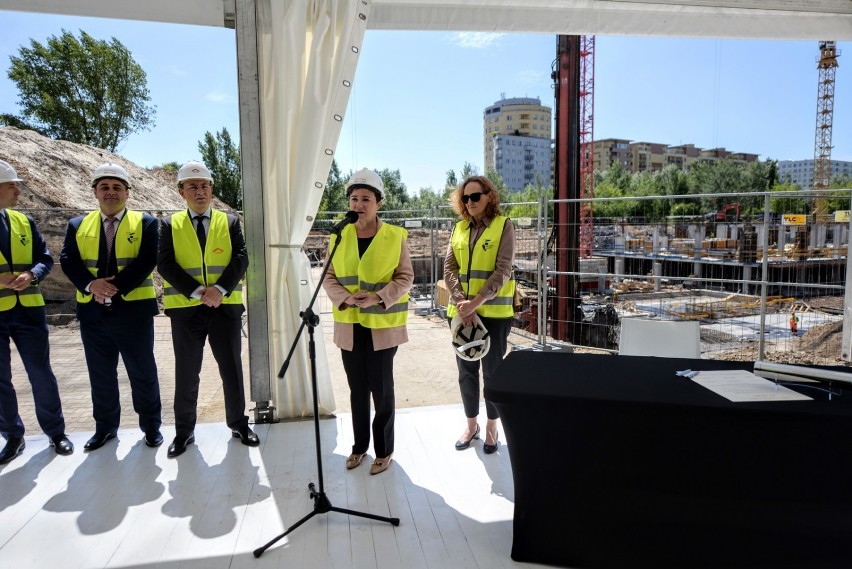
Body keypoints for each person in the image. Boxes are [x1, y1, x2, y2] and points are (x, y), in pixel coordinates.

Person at [60, 162, 162, 451]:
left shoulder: (145, 223)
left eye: (117, 187)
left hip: (133, 314)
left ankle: (151, 427)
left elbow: (147, 260)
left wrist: (112, 287)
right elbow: (69, 260)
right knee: (101, 375)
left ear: (128, 193)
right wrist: (92, 285)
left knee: (142, 372)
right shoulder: (77, 225)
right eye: (104, 187)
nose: (111, 192)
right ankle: (105, 428)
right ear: (95, 192)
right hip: (93, 315)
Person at [157, 161, 256, 458]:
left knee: (232, 370)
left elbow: (241, 257)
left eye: (204, 186)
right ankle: (184, 432)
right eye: (192, 186)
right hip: (187, 311)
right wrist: (199, 292)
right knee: (187, 373)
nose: (199, 191)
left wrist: (220, 290)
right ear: (181, 192)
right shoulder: (169, 224)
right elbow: (165, 263)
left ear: (211, 189)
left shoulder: (229, 222)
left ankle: (239, 423)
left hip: (224, 309)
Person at [322, 169, 413, 475]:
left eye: (365, 199)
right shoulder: (339, 234)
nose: (358, 204)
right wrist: (345, 298)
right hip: (349, 324)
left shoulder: (394, 236)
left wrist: (378, 297)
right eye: (353, 198)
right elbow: (329, 277)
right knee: (356, 389)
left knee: (382, 390)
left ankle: (384, 451)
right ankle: (359, 447)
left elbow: (405, 277)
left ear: (378, 202)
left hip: (382, 327)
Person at [0, 159, 72, 464]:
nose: (18, 190)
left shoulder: (22, 221)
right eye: (13, 184)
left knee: (41, 373)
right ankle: (13, 436)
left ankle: (56, 432)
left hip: (28, 310)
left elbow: (44, 258)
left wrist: (32, 275)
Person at [444, 175, 515, 455]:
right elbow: (449, 269)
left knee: (494, 373)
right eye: (465, 198)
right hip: (461, 314)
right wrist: (463, 303)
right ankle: (471, 426)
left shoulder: (503, 226)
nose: (470, 202)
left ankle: (491, 428)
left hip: (494, 314)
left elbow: (503, 270)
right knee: (467, 372)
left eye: (475, 196)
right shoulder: (458, 229)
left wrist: (476, 303)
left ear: (489, 196)